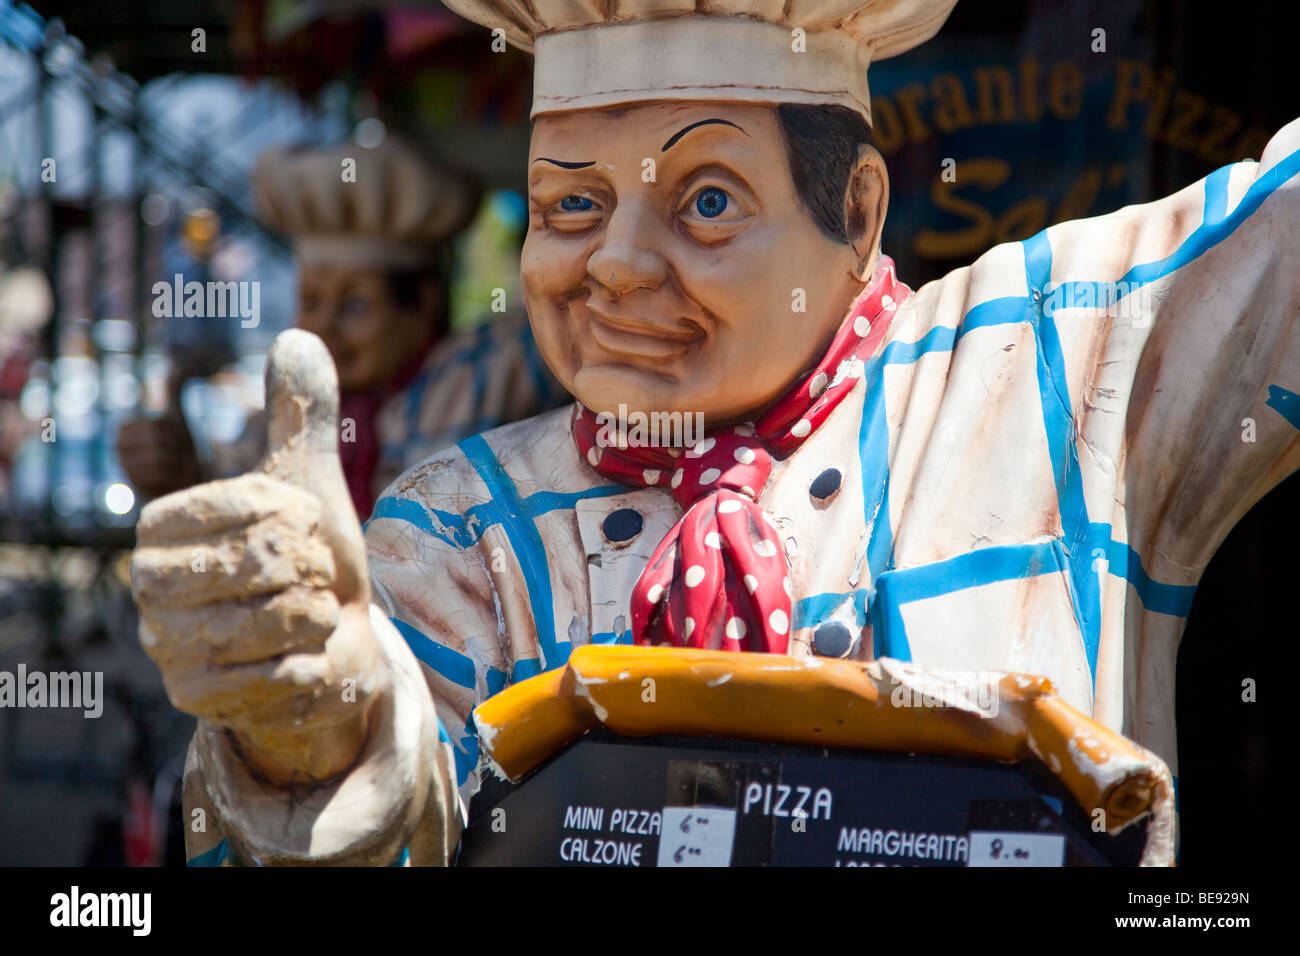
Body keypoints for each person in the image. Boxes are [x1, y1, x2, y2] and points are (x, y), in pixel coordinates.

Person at [128, 0, 1299, 866]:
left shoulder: (1043, 363)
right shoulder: (464, 520)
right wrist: (307, 730)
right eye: (569, 205)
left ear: (854, 213)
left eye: (704, 200)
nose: (618, 264)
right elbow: (374, 792)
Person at [117, 135, 568, 519]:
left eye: (355, 305)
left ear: (423, 303)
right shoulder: (279, 424)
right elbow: (230, 513)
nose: (324, 331)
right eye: (310, 302)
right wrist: (178, 476)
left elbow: (562, 312)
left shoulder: (478, 374)